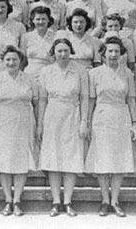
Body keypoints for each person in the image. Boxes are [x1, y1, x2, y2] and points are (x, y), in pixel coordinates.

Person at [85, 36, 136, 217]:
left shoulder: (128, 73)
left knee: (118, 159)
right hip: (101, 116)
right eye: (110, 51)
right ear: (103, 53)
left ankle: (115, 201)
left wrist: (134, 124)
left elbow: (131, 99)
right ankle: (104, 200)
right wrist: (88, 121)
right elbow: (91, 99)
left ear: (121, 53)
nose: (113, 54)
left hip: (121, 116)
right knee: (103, 159)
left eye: (117, 51)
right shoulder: (94, 73)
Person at [38, 38, 89, 217]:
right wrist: (40, 125)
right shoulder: (46, 71)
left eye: (66, 50)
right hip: (52, 115)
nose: (63, 54)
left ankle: (67, 201)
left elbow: (84, 97)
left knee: (70, 158)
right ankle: (55, 201)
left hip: (72, 116)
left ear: (71, 51)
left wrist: (84, 121)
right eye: (59, 51)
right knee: (54, 160)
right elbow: (42, 99)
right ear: (53, 52)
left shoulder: (80, 71)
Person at [0, 45, 40, 217]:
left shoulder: (29, 79)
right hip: (2, 122)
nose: (11, 62)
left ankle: (17, 199)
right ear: (3, 61)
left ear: (21, 61)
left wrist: (38, 124)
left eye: (15, 59)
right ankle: (8, 199)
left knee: (20, 161)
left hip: (24, 121)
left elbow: (36, 103)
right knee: (4, 160)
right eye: (8, 59)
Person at [20, 6, 56, 83]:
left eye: (43, 19)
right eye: (38, 19)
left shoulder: (55, 36)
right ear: (33, 20)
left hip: (50, 74)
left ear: (48, 20)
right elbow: (23, 61)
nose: (40, 22)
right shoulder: (26, 37)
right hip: (30, 73)